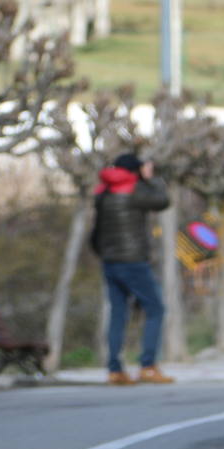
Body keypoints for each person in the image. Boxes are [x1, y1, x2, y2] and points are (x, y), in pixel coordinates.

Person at [92, 153, 173, 385]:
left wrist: (104, 253)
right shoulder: (134, 190)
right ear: (136, 170)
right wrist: (151, 178)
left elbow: (95, 232)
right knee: (156, 308)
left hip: (109, 261)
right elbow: (162, 201)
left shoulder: (103, 193)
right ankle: (148, 365)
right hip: (133, 261)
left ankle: (114, 369)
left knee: (118, 313)